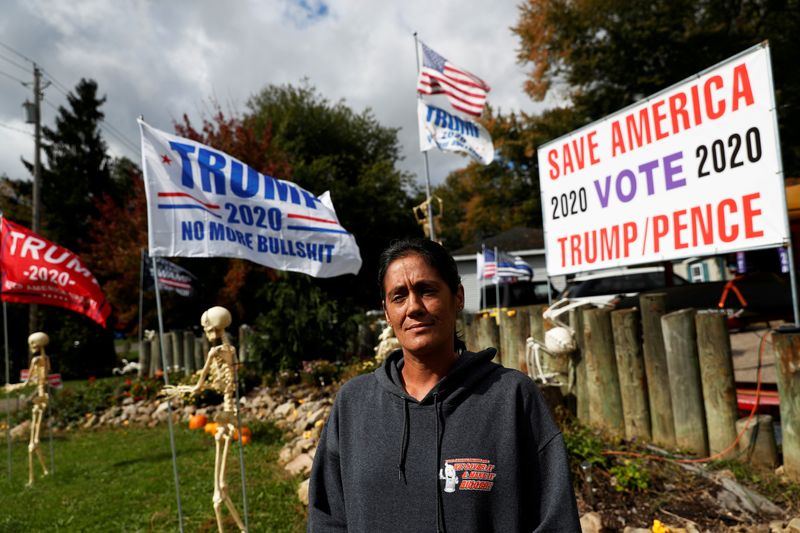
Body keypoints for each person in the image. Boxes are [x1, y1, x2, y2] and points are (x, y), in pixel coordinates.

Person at [307, 238, 580, 532]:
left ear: (458, 297)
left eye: (427, 291)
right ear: (387, 313)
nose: (413, 307)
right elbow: (327, 518)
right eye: (398, 297)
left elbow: (555, 519)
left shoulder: (510, 397)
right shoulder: (354, 404)